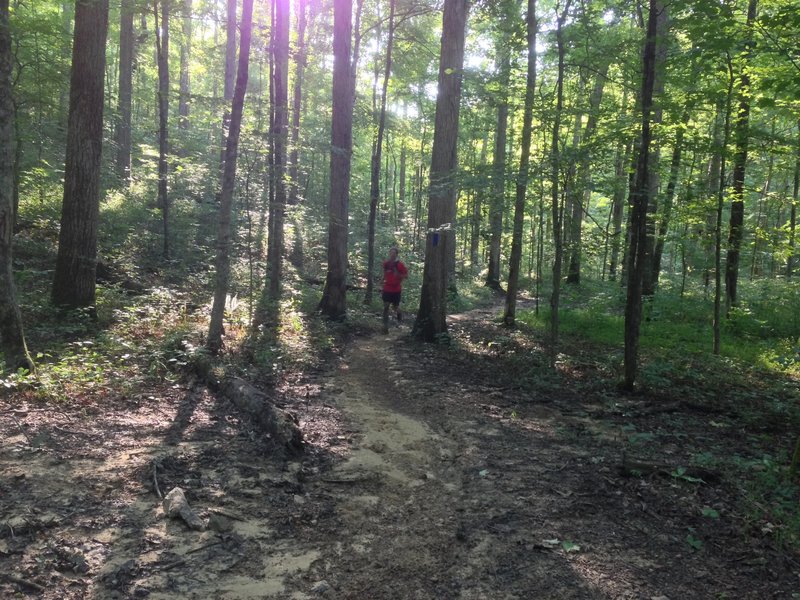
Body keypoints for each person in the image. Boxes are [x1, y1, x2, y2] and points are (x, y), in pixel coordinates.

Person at [381, 246, 408, 333]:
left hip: (396, 289)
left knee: (395, 307)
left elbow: (406, 276)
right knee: (386, 306)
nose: (392, 255)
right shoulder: (386, 263)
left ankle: (399, 320)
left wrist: (398, 275)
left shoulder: (400, 265)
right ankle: (385, 327)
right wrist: (381, 281)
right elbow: (385, 273)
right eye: (391, 253)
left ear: (396, 254)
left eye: (394, 253)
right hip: (387, 288)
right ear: (389, 254)